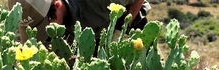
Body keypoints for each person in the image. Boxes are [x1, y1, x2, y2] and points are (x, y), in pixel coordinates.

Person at [8, 0, 151, 44]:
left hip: (128, 27)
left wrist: (120, 29)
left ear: (57, 5)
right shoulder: (34, 14)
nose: (47, 34)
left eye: (46, 26)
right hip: (86, 41)